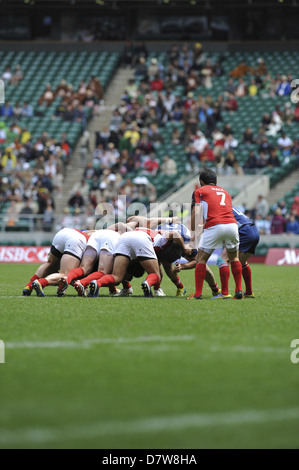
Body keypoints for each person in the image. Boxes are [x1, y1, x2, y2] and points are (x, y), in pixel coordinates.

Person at [188, 168, 243, 300]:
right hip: (232, 226)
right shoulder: (225, 192)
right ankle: (238, 290)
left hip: (214, 226)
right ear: (215, 181)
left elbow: (196, 212)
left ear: (201, 181)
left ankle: (198, 294)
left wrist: (193, 232)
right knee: (234, 258)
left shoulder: (199, 191)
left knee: (201, 259)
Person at [23, 228, 93, 297]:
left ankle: (29, 286)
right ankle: (41, 282)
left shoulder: (91, 232)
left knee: (51, 264)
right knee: (66, 275)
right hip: (76, 240)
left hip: (63, 233)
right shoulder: (99, 238)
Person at [58, 229, 121, 297]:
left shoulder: (110, 228)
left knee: (84, 268)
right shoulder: (125, 231)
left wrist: (113, 290)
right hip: (111, 238)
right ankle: (81, 283)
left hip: (95, 236)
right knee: (103, 271)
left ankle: (67, 278)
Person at [215, 206, 260, 299]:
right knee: (242, 263)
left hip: (243, 231)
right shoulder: (228, 205)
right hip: (254, 230)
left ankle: (225, 293)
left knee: (222, 259)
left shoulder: (217, 208)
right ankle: (248, 292)